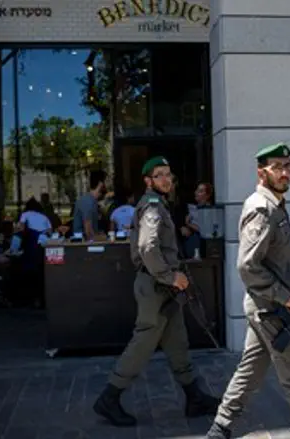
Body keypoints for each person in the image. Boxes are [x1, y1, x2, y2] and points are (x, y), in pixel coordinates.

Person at [206, 143, 290, 439]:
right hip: (274, 312)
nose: (285, 173)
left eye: (288, 166)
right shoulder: (262, 209)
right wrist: (287, 297)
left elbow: (273, 260)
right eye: (278, 167)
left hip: (270, 307)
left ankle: (219, 431)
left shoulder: (275, 205)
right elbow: (248, 266)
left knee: (250, 372)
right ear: (262, 173)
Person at [93, 156, 220, 427]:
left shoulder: (159, 204)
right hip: (156, 285)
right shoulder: (152, 205)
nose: (166, 179)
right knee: (143, 343)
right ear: (148, 181)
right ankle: (110, 397)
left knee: (177, 341)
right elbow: (147, 247)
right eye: (159, 174)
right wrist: (170, 276)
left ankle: (194, 397)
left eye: (168, 174)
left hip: (164, 287)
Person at [72, 170, 107, 241]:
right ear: (100, 183)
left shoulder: (92, 201)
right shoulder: (88, 202)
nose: (108, 184)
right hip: (83, 245)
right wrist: (105, 238)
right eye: (106, 181)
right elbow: (89, 233)